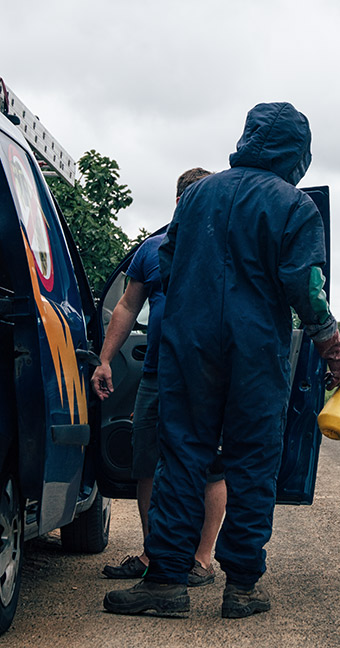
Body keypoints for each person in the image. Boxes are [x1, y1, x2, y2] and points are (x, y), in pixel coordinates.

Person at [104, 102, 340, 619]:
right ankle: (241, 587)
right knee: (252, 463)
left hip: (189, 348)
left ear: (247, 137)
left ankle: (165, 584)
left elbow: (166, 265)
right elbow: (307, 289)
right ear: (298, 153)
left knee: (180, 456)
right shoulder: (296, 206)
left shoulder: (196, 195)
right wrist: (333, 351)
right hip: (256, 352)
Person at [92, 168, 226, 587]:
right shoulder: (151, 249)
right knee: (146, 461)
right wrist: (105, 360)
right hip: (155, 374)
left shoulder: (224, 247)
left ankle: (201, 560)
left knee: (211, 467)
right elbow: (127, 307)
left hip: (206, 376)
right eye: (188, 197)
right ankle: (155, 555)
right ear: (177, 201)